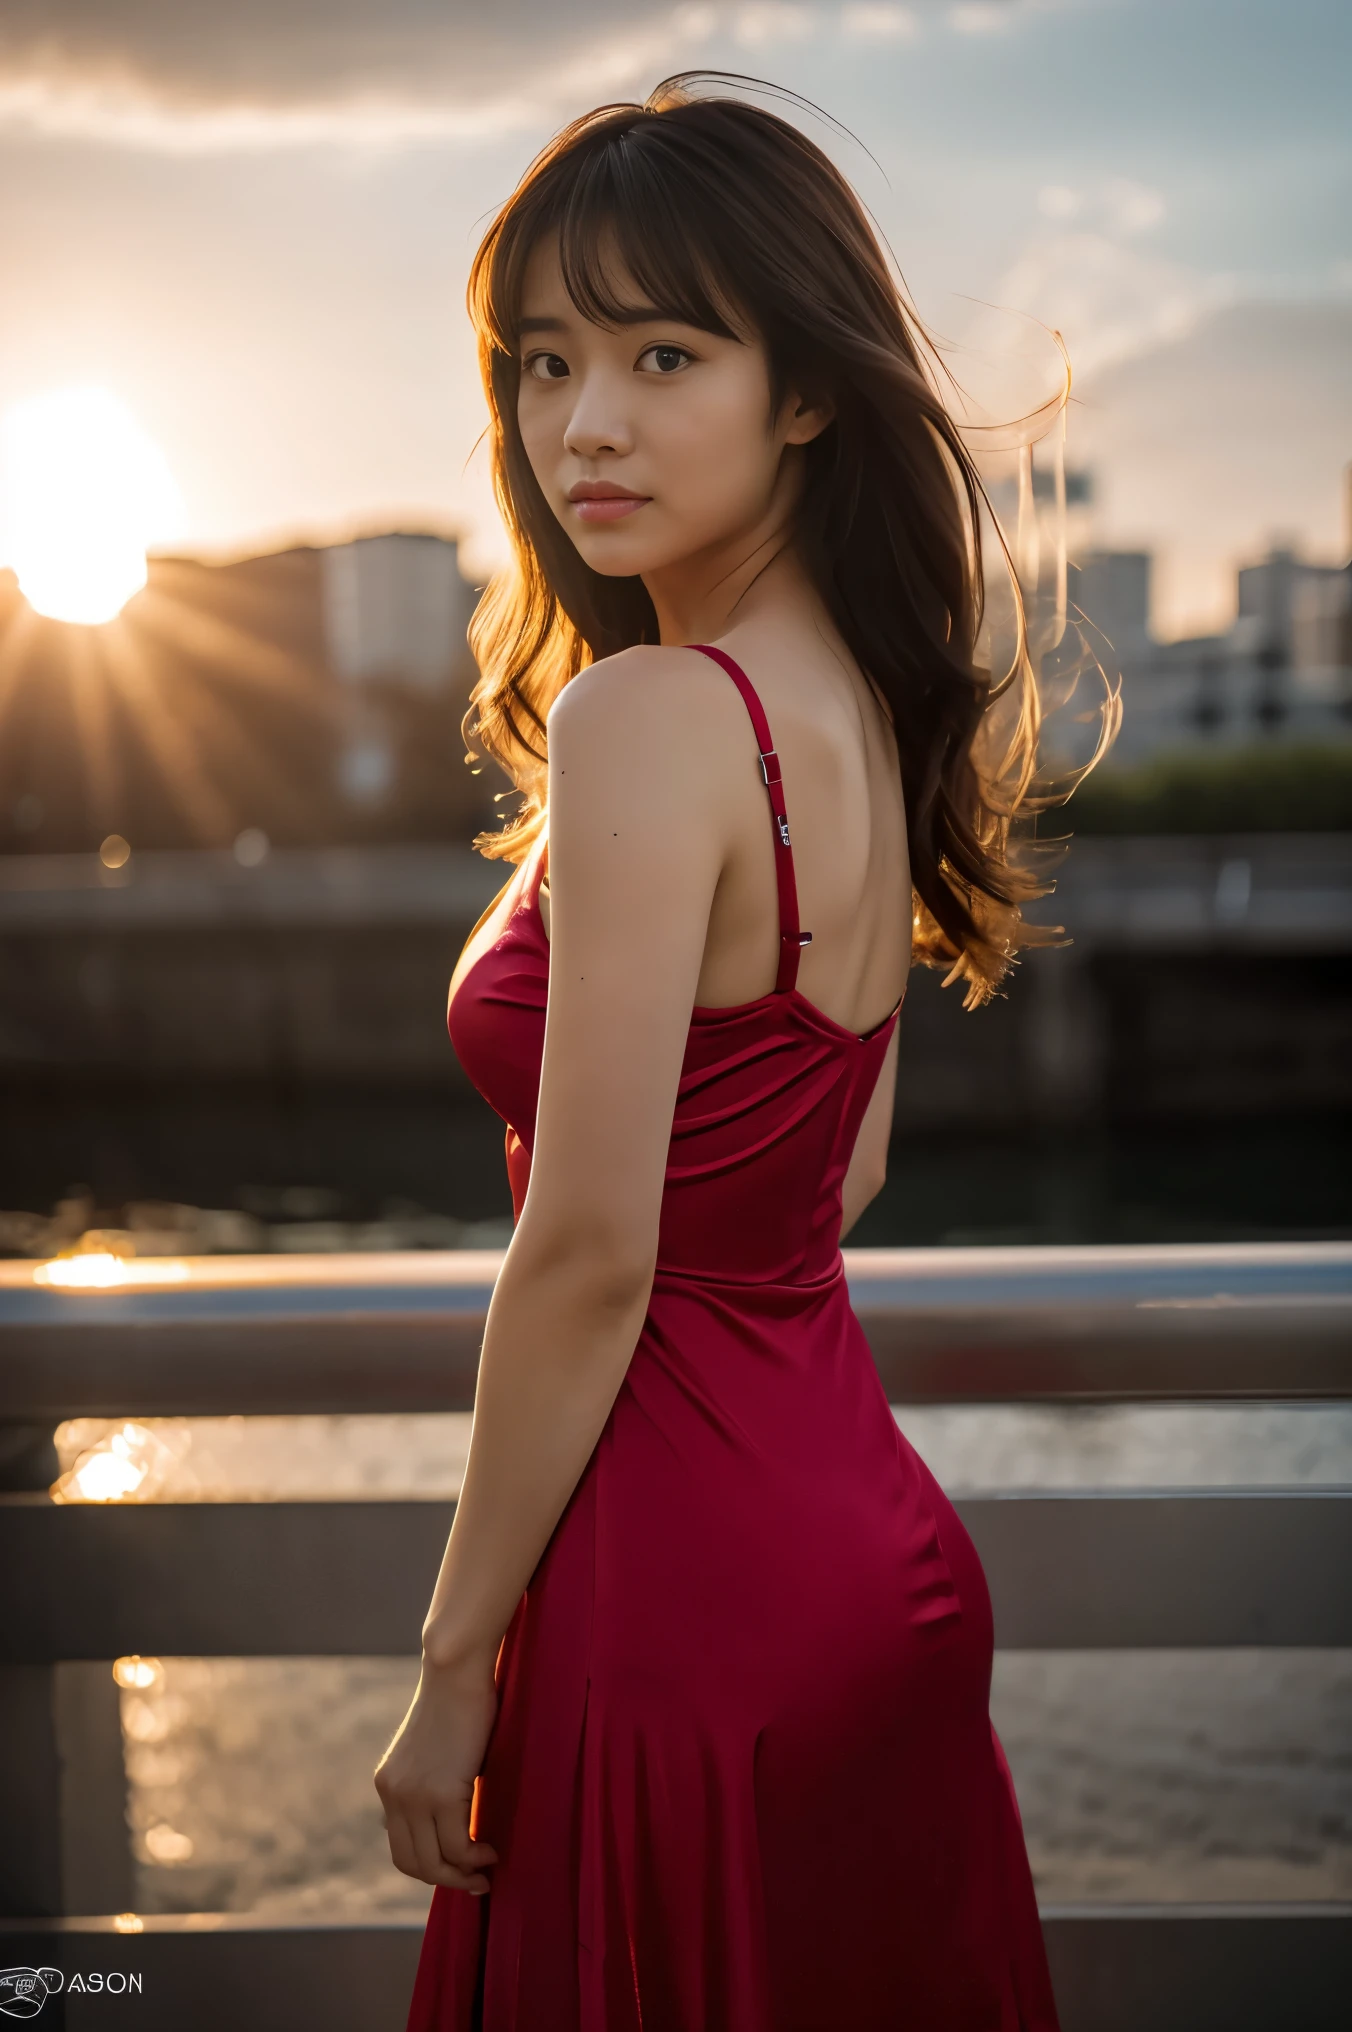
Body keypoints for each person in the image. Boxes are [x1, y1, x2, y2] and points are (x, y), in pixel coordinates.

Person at [376, 76, 1071, 2032]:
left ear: (802, 389)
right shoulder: (851, 701)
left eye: (662, 351)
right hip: (864, 1559)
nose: (581, 420)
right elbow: (825, 1175)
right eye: (543, 360)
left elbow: (593, 1248)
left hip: (672, 1596)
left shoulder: (653, 717)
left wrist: (451, 1663)